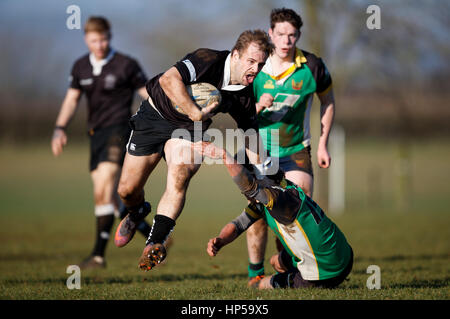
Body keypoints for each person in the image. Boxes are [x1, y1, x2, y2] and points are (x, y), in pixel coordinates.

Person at [114, 30, 273, 271]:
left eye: (261, 64)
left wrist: (263, 177)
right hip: (154, 117)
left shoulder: (245, 94)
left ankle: (154, 243)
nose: (256, 69)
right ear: (236, 54)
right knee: (127, 190)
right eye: (251, 61)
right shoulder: (207, 59)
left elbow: (251, 135)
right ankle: (137, 211)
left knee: (181, 173)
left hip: (189, 130)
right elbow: (168, 80)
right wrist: (194, 111)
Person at [51, 16, 151, 269]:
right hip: (95, 135)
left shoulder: (126, 64)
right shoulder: (80, 67)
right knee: (110, 200)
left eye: (104, 39)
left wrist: (170, 114)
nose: (100, 45)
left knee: (104, 190)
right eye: (94, 40)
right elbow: (72, 99)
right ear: (86, 39)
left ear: (110, 36)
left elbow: (147, 94)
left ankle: (97, 256)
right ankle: (153, 236)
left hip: (119, 132)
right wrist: (60, 128)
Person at [246, 8, 336, 285]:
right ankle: (255, 273)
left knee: (297, 204)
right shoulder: (256, 64)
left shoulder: (312, 67)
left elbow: (328, 101)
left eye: (292, 35)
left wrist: (322, 144)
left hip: (297, 148)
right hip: (260, 148)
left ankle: (287, 266)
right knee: (260, 209)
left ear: (299, 35)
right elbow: (238, 109)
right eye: (281, 34)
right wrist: (259, 105)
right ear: (270, 33)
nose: (286, 41)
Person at [194, 141, 353, 289]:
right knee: (275, 262)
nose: (242, 191)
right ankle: (295, 270)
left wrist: (223, 155)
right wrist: (220, 241)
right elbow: (239, 224)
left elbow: (249, 187)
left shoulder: (278, 199)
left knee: (262, 285)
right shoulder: (281, 191)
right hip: (344, 255)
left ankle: (294, 279)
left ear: (257, 177)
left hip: (327, 273)